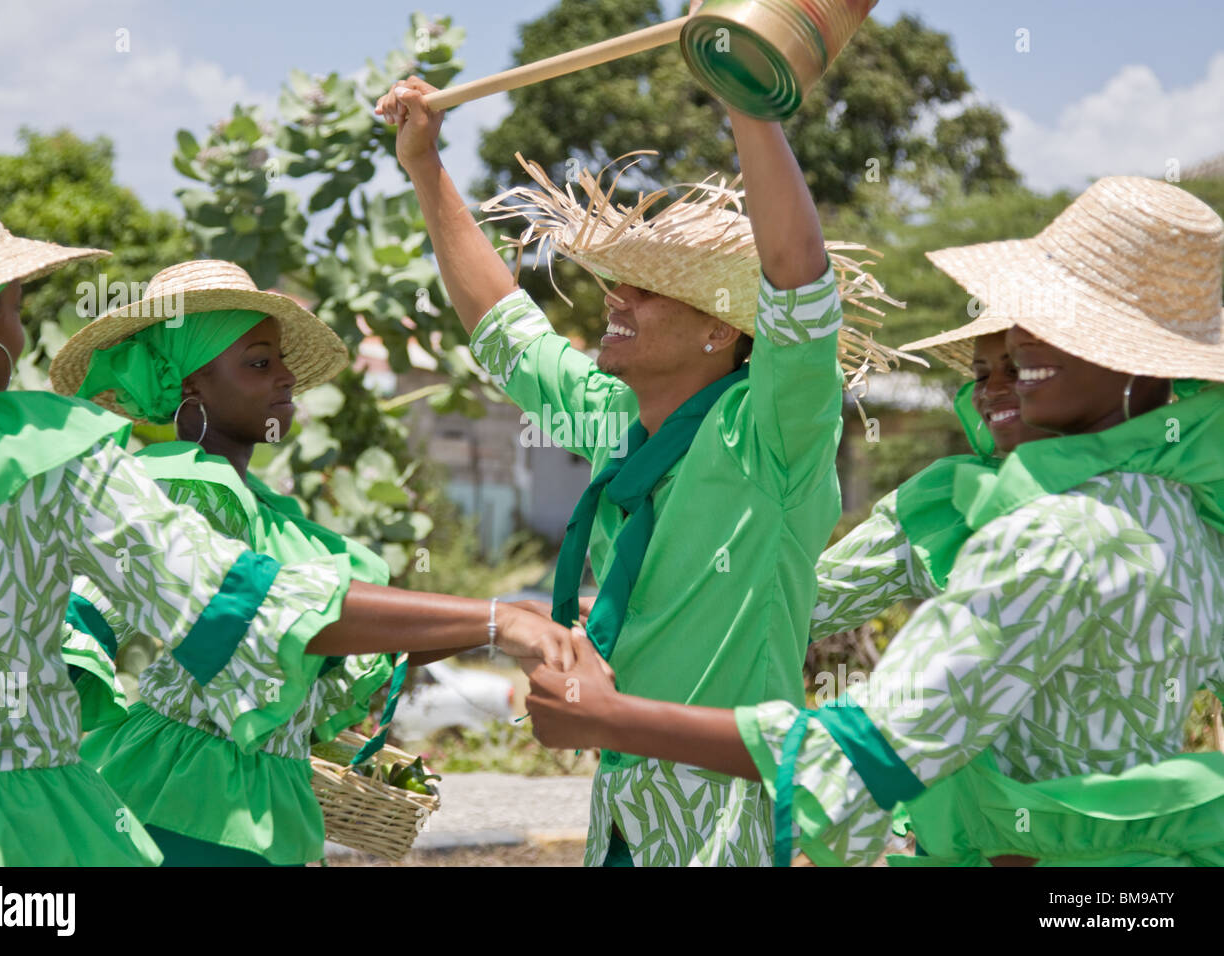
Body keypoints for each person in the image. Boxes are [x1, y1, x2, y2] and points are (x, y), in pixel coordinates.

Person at [525, 175, 1224, 866]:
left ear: (1141, 366)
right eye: (993, 363)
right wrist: (650, 605)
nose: (1016, 361)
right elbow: (802, 595)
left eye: (1053, 327)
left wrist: (612, 719)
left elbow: (873, 746)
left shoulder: (1056, 530)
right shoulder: (1180, 515)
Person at [0, 162, 576, 865]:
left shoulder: (232, 501)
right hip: (18, 827)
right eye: (15, 310)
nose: (20, 340)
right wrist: (492, 619)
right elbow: (244, 608)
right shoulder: (54, 460)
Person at [375, 58, 898, 864]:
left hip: (727, 822)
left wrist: (747, 104)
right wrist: (424, 164)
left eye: (646, 291)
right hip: (620, 814)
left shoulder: (770, 432)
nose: (613, 298)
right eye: (617, 283)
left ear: (720, 330)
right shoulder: (617, 416)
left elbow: (799, 288)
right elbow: (503, 328)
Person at [50, 259, 578, 866]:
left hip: (244, 803)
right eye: (259, 362)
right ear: (192, 385)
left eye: (280, 360)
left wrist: (521, 618)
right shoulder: (184, 491)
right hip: (185, 809)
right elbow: (261, 615)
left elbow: (333, 637)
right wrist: (496, 620)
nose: (286, 378)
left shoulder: (264, 511)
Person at [810, 328, 1052, 641]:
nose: (991, 390)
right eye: (980, 376)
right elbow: (805, 608)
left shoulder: (1123, 490)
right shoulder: (944, 498)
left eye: (1016, 370)